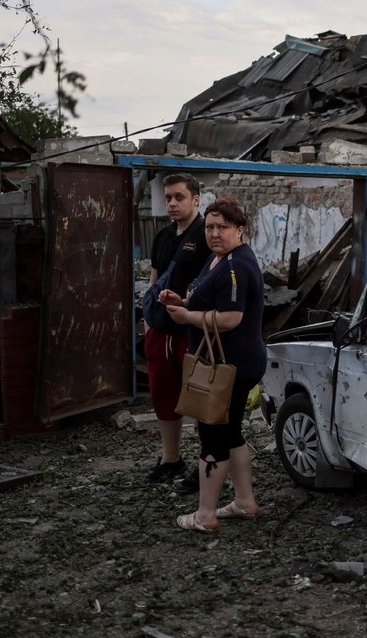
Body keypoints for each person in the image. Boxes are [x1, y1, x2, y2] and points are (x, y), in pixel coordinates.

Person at [161, 197, 266, 532]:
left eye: (223, 227)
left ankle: (205, 515)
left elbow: (232, 317)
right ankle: (245, 502)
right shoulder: (222, 259)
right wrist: (185, 301)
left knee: (213, 436)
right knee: (232, 433)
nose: (215, 233)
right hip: (232, 364)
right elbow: (214, 299)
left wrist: (187, 316)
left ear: (239, 229)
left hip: (229, 367)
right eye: (209, 227)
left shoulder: (236, 265)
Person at [143, 173, 208, 493]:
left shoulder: (207, 233)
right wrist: (148, 320)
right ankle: (171, 459)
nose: (171, 203)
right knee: (162, 395)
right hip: (161, 329)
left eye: (179, 197)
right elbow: (155, 276)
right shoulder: (163, 235)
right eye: (168, 197)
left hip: (192, 330)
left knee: (199, 401)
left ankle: (203, 468)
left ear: (196, 199)